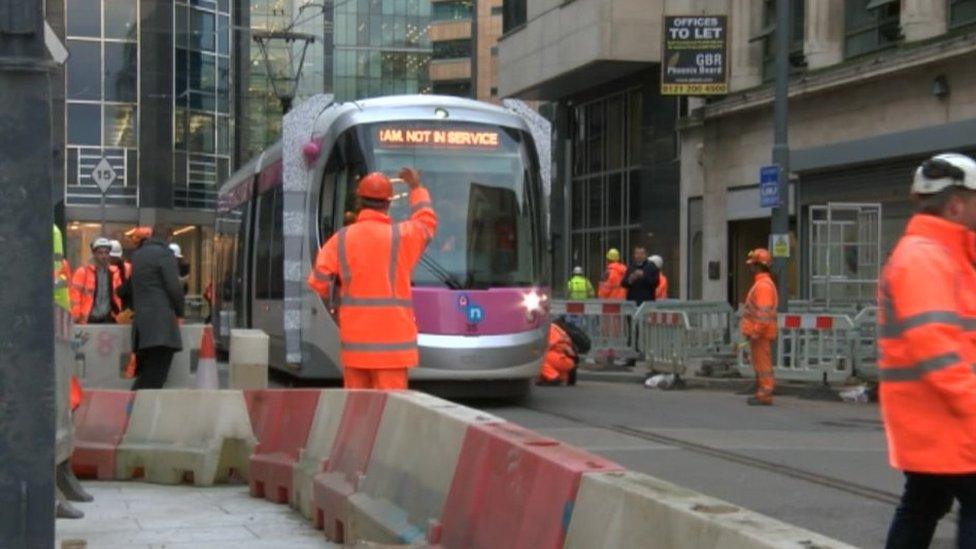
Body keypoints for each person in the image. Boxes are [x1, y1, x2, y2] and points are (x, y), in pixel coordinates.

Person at [878, 153, 976, 548]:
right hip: (949, 419)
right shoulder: (925, 258)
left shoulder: (946, 255)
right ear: (956, 204)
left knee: (924, 502)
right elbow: (939, 353)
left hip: (935, 419)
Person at [307, 168, 437, 390]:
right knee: (390, 412)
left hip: (356, 346)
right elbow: (426, 225)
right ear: (388, 203)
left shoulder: (341, 239)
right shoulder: (401, 236)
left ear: (359, 202)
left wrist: (338, 302)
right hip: (393, 349)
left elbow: (319, 280)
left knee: (358, 412)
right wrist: (416, 189)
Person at [121, 226, 185, 390]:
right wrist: (180, 310)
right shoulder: (165, 254)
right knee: (155, 375)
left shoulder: (138, 255)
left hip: (142, 324)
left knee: (147, 370)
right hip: (161, 324)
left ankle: (135, 406)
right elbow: (173, 287)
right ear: (169, 237)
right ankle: (134, 407)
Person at [740, 248, 777, 406]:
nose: (750, 267)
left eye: (752, 264)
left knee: (763, 365)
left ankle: (765, 394)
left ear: (758, 265)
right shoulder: (762, 284)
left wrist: (755, 331)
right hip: (759, 332)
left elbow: (763, 314)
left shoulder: (763, 286)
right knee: (760, 364)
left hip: (760, 333)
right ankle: (762, 391)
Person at [69, 237, 122, 324]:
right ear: (94, 253)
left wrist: (118, 313)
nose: (104, 256)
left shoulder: (115, 273)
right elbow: (74, 297)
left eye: (106, 253)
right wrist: (75, 317)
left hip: (108, 318)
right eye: (100, 253)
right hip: (88, 318)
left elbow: (118, 296)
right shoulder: (82, 272)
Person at [537, 321, 577, 386]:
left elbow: (547, 346)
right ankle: (562, 376)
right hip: (564, 359)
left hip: (562, 358)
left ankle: (553, 377)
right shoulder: (552, 327)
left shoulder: (548, 328)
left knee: (537, 359)